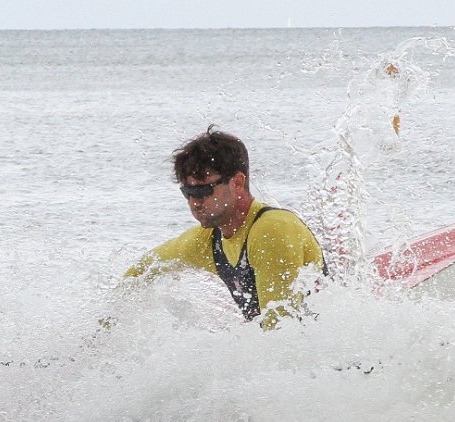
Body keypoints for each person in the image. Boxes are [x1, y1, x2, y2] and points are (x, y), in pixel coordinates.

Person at [125, 127, 326, 327]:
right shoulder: (207, 242)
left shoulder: (272, 230)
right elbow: (140, 271)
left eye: (203, 190)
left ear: (237, 183)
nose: (194, 202)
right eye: (187, 192)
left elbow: (282, 333)